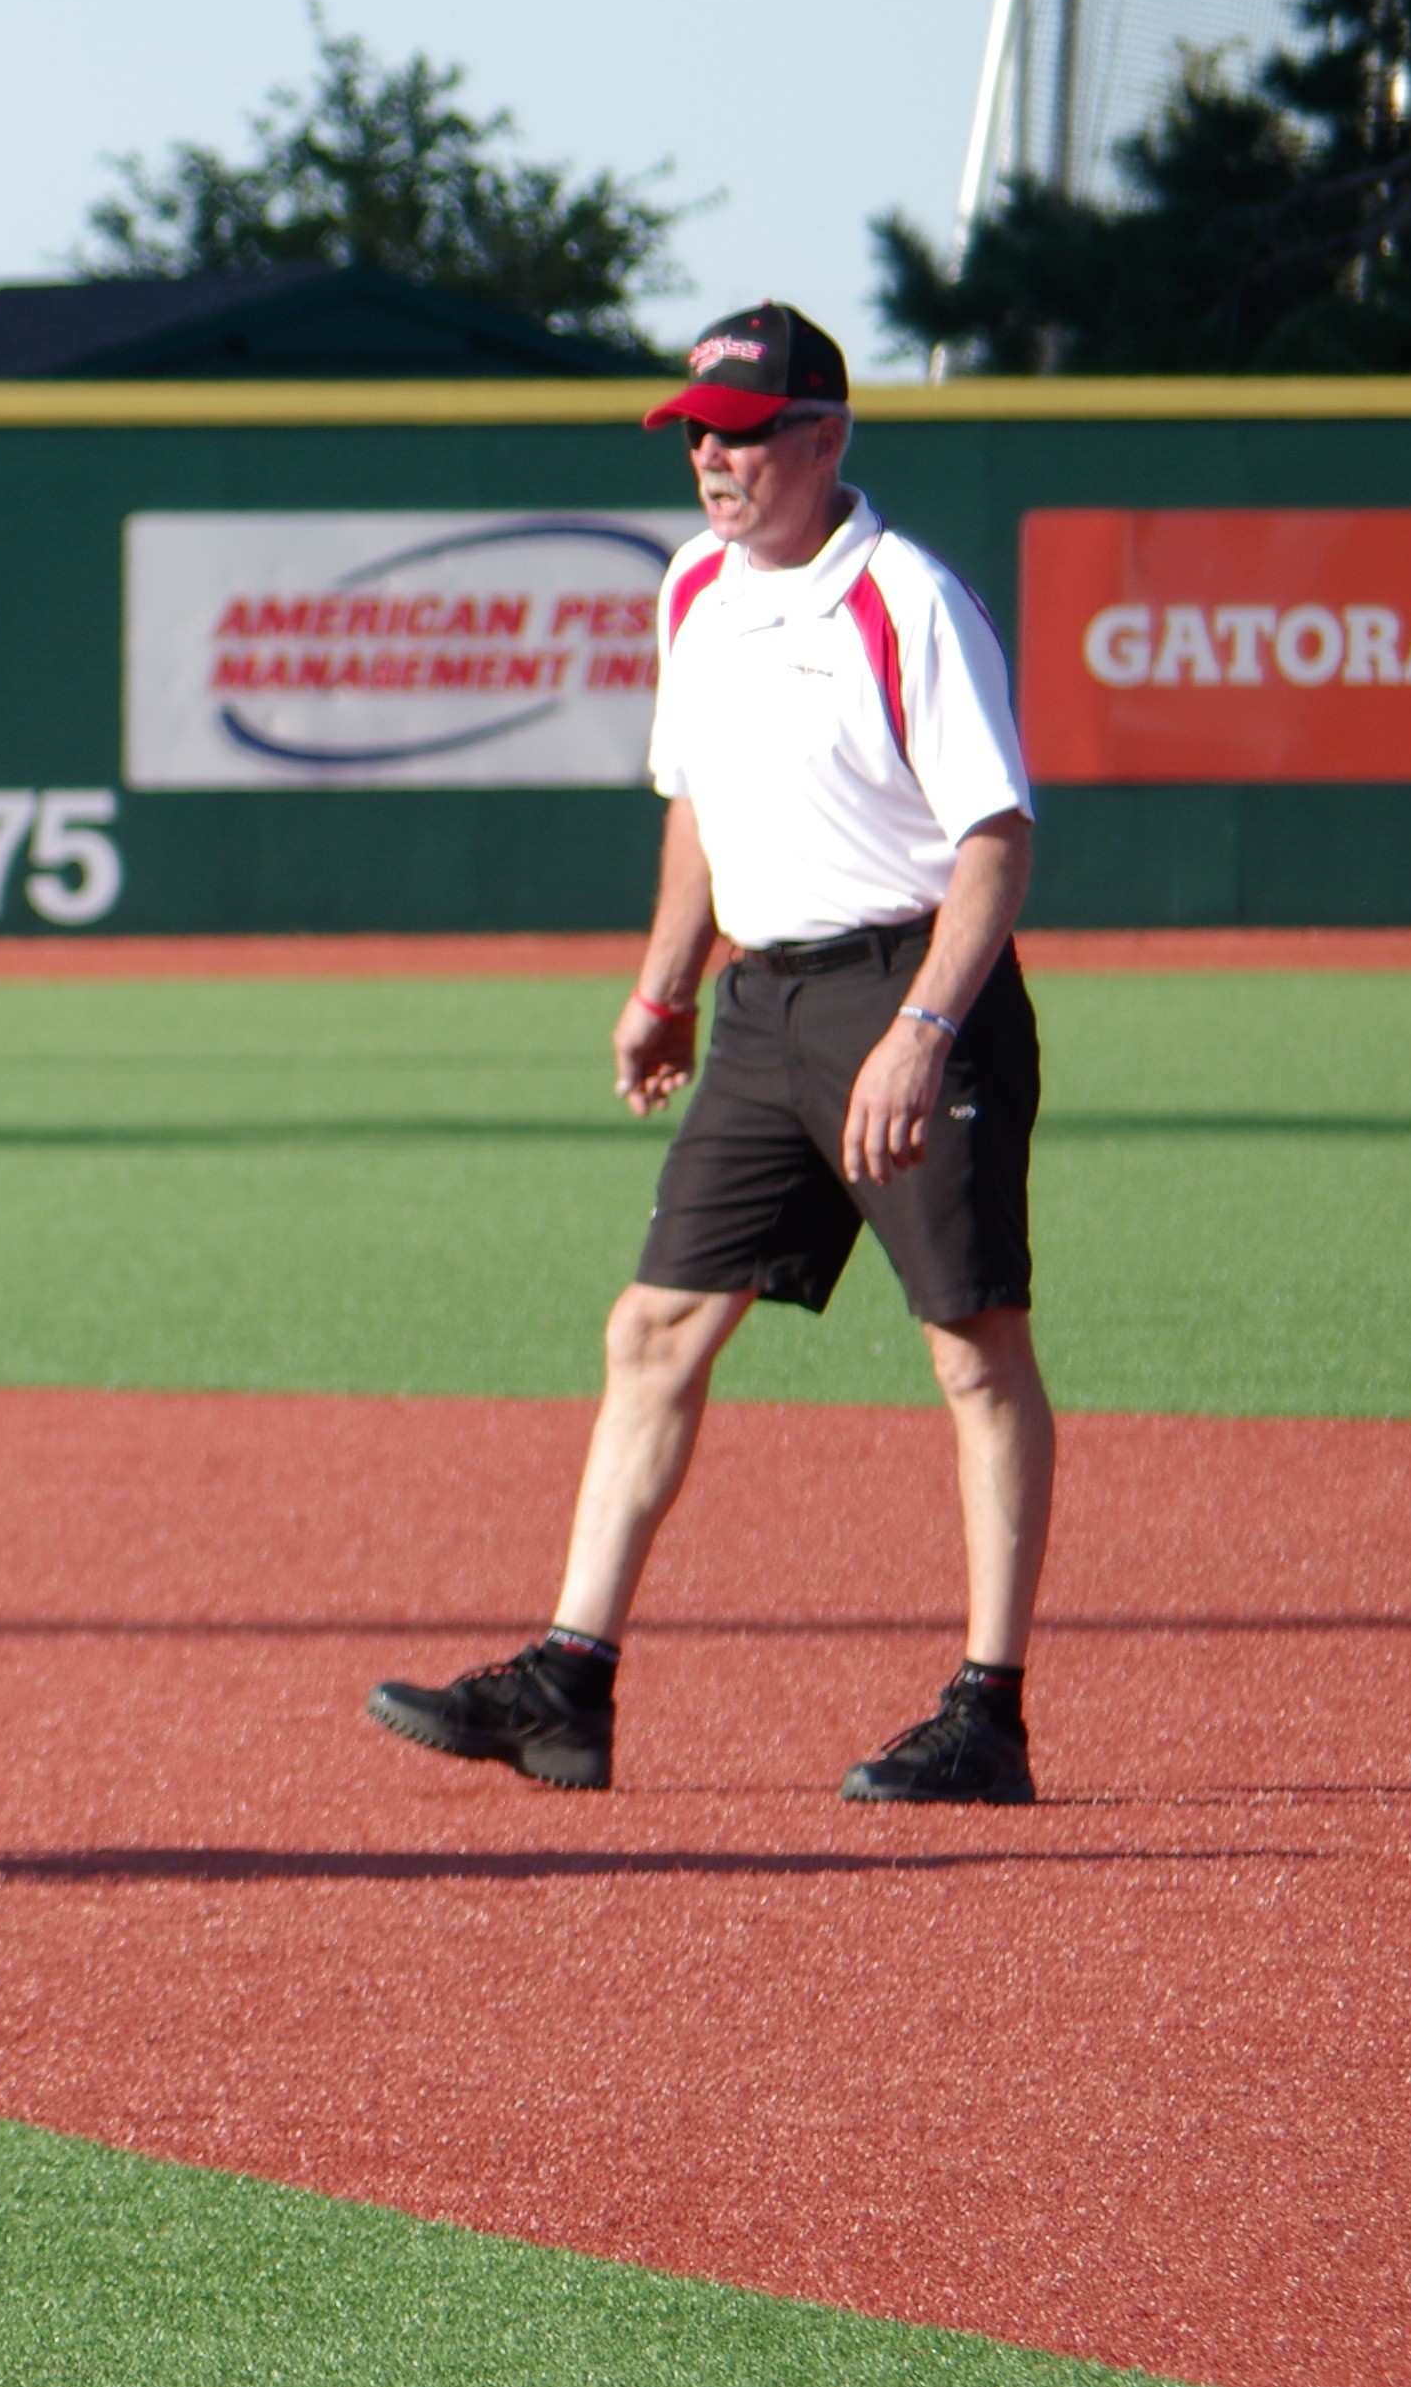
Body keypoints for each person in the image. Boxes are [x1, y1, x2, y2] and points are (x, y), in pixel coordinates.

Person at [367, 302, 1054, 1809]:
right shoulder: (693, 587)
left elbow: (996, 841)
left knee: (971, 1350)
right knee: (653, 1329)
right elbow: (697, 799)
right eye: (695, 435)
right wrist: (663, 982)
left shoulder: (905, 601)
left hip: (910, 987)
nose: (711, 463)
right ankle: (568, 1683)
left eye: (741, 437)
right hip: (763, 1006)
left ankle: (987, 1714)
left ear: (825, 437)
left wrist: (923, 1033)